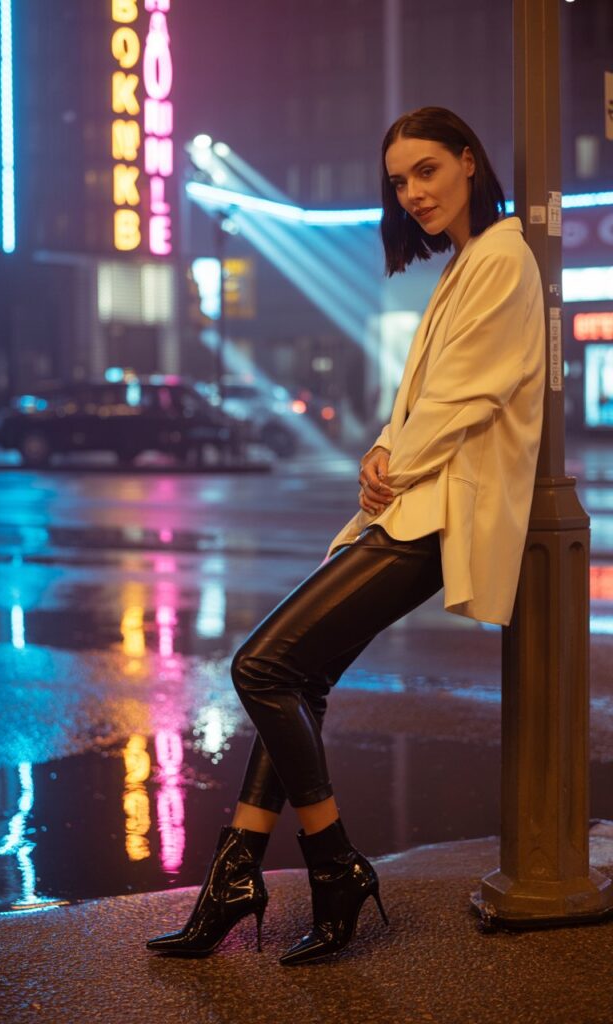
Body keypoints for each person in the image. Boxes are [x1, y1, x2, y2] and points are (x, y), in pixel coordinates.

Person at [146, 106, 545, 966]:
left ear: (470, 162)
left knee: (261, 665)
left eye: (429, 171)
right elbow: (428, 399)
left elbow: (467, 395)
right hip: (410, 501)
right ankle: (235, 879)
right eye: (401, 181)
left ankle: (334, 864)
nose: (414, 193)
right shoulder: (470, 261)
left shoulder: (504, 256)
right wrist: (381, 449)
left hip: (434, 512)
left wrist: (389, 459)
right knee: (300, 677)